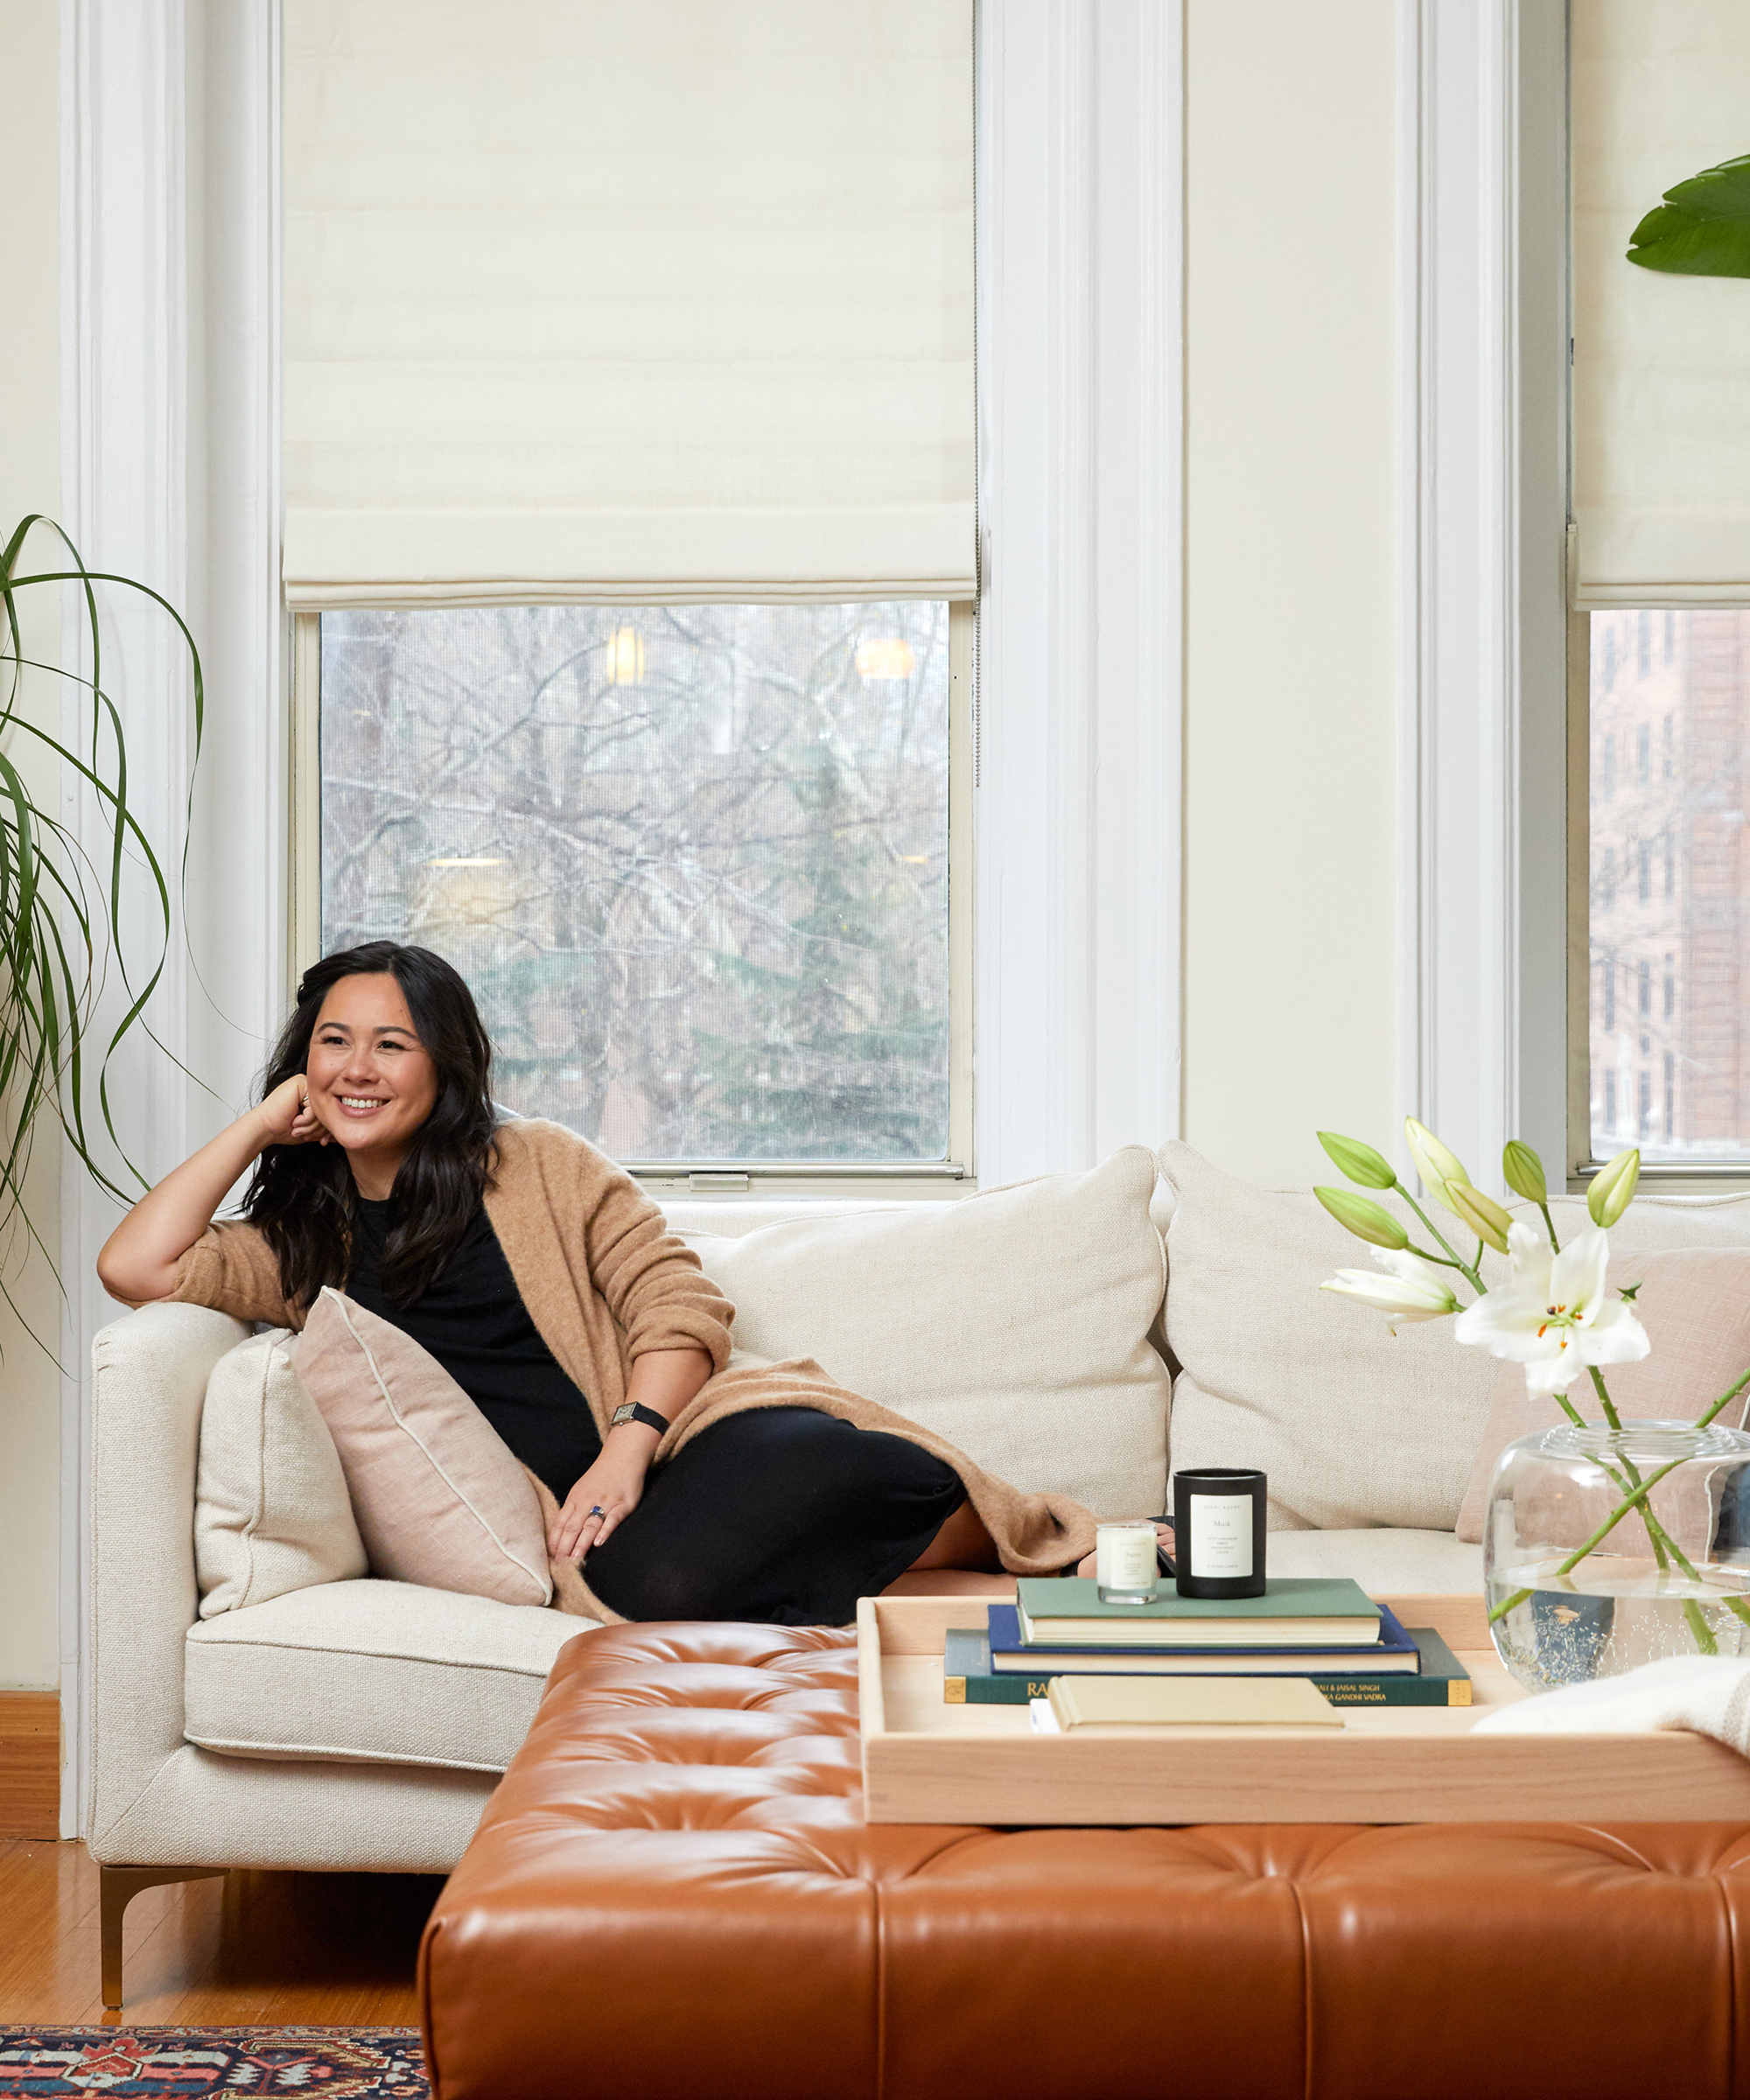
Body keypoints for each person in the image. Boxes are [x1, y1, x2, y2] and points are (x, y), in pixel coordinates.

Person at [97, 942, 1107, 1626]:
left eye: (391, 1043)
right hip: (596, 1535)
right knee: (651, 1585)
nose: (358, 1068)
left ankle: (1040, 1546)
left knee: (809, 1470)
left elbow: (677, 1304)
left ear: (445, 1067)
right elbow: (134, 1267)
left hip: (692, 1439)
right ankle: (1052, 1596)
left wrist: (625, 1452)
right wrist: (258, 1126)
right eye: (333, 1041)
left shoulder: (537, 1161)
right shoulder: (296, 1247)